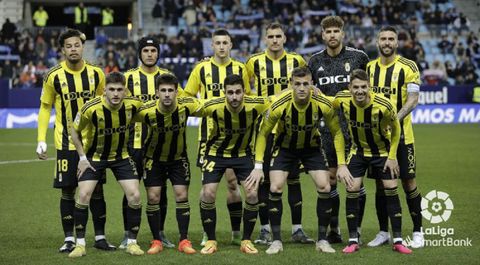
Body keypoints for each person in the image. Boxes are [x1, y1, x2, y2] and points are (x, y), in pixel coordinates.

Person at [249, 66, 347, 255]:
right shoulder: (279, 104)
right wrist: (258, 166)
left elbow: (337, 133)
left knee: (325, 187)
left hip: (311, 148)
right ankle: (276, 241)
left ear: (312, 84)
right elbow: (262, 134)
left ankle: (322, 240)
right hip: (285, 148)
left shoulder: (322, 103)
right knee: (275, 187)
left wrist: (342, 164)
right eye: (297, 84)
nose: (302, 88)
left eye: (306, 84)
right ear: (291, 85)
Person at [36, 28, 115, 253]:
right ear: (62, 50)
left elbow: (104, 103)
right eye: (68, 46)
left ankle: (100, 237)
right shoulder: (53, 76)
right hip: (65, 142)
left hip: (93, 143)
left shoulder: (96, 73)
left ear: (83, 47)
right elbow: (45, 108)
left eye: (76, 45)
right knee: (68, 190)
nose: (73, 49)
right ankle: (69, 238)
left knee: (97, 189)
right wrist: (41, 139)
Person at [245, 22, 313, 245]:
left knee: (293, 180)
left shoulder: (297, 61)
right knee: (264, 181)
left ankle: (297, 229)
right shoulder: (253, 62)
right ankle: (265, 229)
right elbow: (247, 93)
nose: (274, 40)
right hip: (265, 129)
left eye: (278, 36)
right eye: (271, 36)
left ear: (284, 38)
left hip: (290, 129)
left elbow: (307, 88)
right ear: (265, 39)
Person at [184, 28, 251, 246]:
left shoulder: (241, 69)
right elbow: (187, 96)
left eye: (225, 42)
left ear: (231, 45)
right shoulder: (201, 68)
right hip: (208, 138)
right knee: (207, 189)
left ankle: (236, 232)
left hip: (236, 137)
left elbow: (248, 98)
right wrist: (204, 107)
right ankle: (207, 233)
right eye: (217, 43)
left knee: (233, 184)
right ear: (211, 46)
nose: (221, 46)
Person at [333, 69, 412, 254]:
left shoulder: (384, 104)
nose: (360, 91)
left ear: (369, 87)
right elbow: (336, 130)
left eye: (363, 87)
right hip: (358, 152)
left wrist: (392, 157)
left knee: (391, 188)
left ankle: (398, 240)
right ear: (349, 88)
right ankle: (353, 240)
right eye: (356, 87)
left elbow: (396, 130)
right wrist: (341, 164)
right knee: (351, 188)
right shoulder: (341, 100)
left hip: (382, 152)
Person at [307, 15, 370, 243]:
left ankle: (357, 229)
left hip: (355, 129)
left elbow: (369, 89)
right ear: (322, 35)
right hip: (325, 131)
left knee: (355, 182)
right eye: (328, 32)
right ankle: (334, 229)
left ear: (343, 33)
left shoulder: (359, 57)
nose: (332, 35)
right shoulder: (313, 62)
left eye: (336, 31)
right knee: (331, 180)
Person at [68, 72, 144, 258]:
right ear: (104, 91)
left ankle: (132, 243)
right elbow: (73, 130)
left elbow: (151, 116)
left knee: (134, 195)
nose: (116, 94)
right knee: (84, 194)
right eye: (112, 90)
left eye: (120, 89)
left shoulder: (134, 105)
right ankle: (80, 244)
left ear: (125, 90)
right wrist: (82, 157)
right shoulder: (91, 108)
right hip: (95, 157)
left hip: (121, 157)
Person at [196, 74, 270, 255]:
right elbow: (186, 105)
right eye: (230, 93)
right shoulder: (213, 105)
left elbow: (277, 99)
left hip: (243, 154)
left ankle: (246, 240)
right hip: (216, 153)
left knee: (252, 194)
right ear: (224, 93)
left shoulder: (256, 104)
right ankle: (211, 240)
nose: (234, 97)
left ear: (244, 92)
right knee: (208, 193)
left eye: (238, 92)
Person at [366, 25, 424, 248]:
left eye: (391, 39)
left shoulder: (408, 66)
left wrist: (395, 118)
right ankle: (383, 232)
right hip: (377, 140)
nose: (387, 42)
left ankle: (418, 231)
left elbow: (413, 99)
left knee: (408, 182)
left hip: (403, 138)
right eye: (383, 39)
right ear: (378, 42)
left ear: (397, 42)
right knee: (381, 185)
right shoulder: (370, 68)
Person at [119, 36, 178, 249]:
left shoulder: (167, 78)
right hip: (133, 144)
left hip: (160, 146)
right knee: (130, 192)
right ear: (140, 53)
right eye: (146, 50)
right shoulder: (127, 78)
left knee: (159, 192)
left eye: (154, 50)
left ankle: (159, 234)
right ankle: (128, 234)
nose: (150, 54)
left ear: (158, 53)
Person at [133, 73, 198, 255]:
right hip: (154, 160)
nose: (167, 94)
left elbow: (210, 109)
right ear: (157, 93)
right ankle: (156, 240)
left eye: (171, 90)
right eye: (163, 90)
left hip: (178, 159)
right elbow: (124, 117)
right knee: (153, 198)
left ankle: (184, 240)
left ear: (177, 92)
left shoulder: (187, 106)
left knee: (181, 195)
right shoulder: (146, 111)